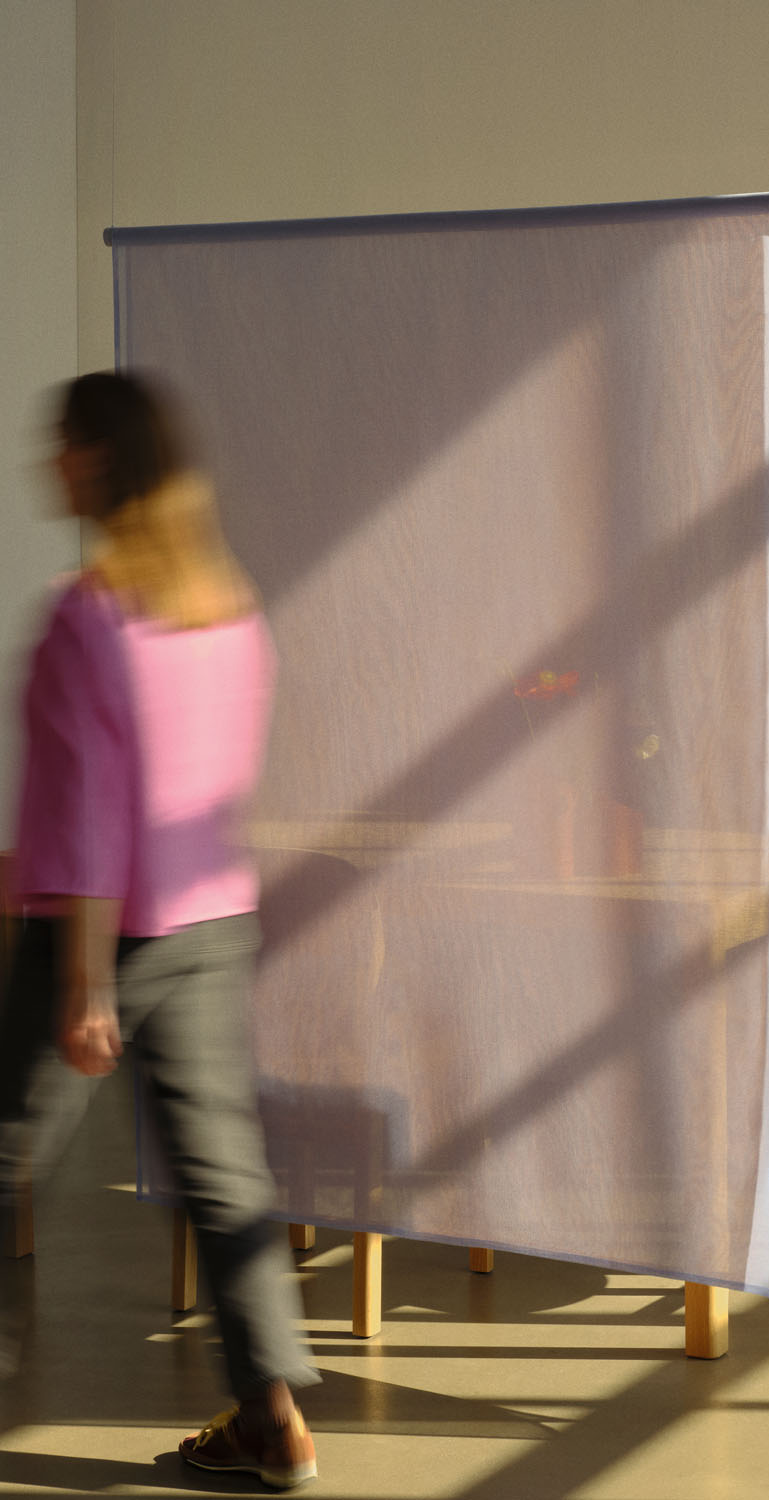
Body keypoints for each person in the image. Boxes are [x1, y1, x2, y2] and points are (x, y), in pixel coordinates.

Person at [0, 371, 318, 1488]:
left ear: (96, 460)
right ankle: (271, 1421)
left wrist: (84, 980)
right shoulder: (227, 606)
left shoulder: (87, 615)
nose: (48, 465)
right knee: (225, 1176)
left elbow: (91, 813)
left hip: (101, 934)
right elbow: (209, 783)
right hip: (213, 920)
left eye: (59, 446)